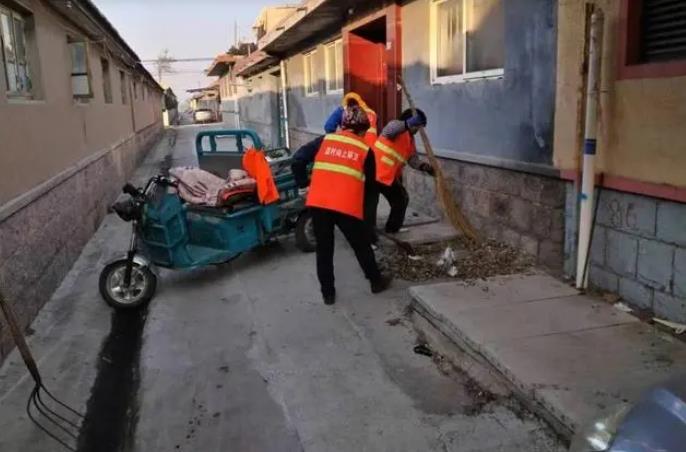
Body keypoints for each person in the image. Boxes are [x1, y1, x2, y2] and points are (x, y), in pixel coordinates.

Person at [292, 106, 391, 305]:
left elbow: (297, 161)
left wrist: (303, 183)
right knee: (361, 246)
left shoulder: (325, 140)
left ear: (343, 126)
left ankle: (328, 295)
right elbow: (371, 189)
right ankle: (376, 282)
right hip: (346, 206)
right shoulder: (365, 150)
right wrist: (367, 219)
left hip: (318, 204)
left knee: (324, 250)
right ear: (363, 130)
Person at [365, 108, 435, 243]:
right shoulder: (395, 127)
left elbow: (412, 159)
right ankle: (368, 239)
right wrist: (407, 124)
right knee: (370, 206)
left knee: (401, 199)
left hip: (388, 176)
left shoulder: (410, 140)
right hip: (374, 172)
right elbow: (391, 130)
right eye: (418, 126)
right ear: (411, 121)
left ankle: (392, 228)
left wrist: (423, 166)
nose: (418, 130)